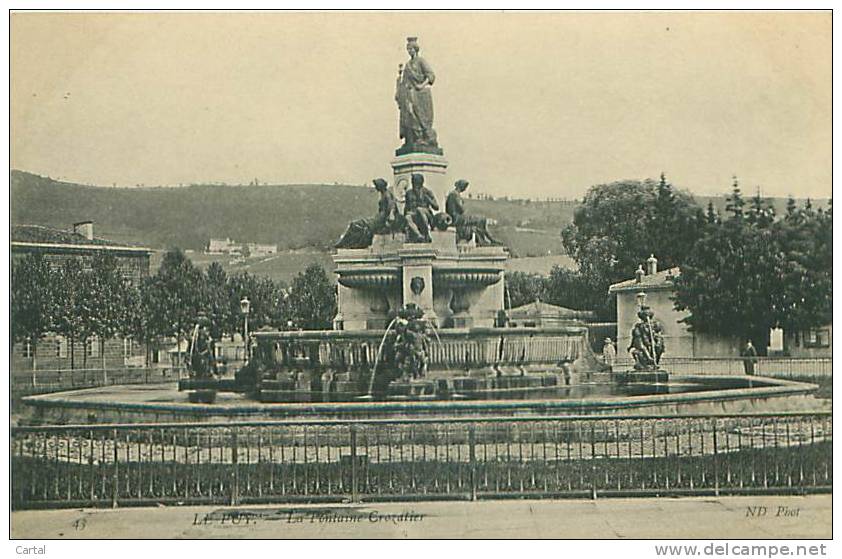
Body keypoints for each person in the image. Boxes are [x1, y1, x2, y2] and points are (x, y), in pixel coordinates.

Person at [395, 37, 439, 153]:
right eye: (408, 49)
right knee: (408, 115)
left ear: (416, 49)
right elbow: (404, 82)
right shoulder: (408, 65)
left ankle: (420, 137)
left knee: (417, 115)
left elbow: (431, 76)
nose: (409, 51)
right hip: (408, 94)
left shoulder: (421, 61)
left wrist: (421, 85)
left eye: (411, 48)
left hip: (419, 95)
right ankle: (412, 138)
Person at [335, 178, 400, 248]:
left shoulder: (387, 194)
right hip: (379, 217)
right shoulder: (383, 194)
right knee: (356, 224)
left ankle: (345, 242)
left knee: (357, 224)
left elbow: (392, 206)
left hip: (381, 219)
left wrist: (390, 218)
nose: (375, 187)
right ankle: (346, 242)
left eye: (376, 185)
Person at [445, 179, 498, 246]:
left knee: (480, 220)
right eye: (464, 187)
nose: (465, 189)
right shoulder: (455, 195)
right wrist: (462, 203)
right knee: (481, 219)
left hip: (456, 217)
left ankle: (485, 239)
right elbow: (462, 209)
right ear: (461, 186)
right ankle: (487, 239)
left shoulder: (453, 194)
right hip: (457, 219)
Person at [404, 173, 439, 242]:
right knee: (407, 217)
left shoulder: (427, 192)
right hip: (414, 214)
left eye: (416, 182)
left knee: (419, 210)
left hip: (426, 214)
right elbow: (406, 206)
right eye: (413, 182)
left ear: (421, 183)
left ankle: (427, 233)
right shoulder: (409, 193)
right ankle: (419, 235)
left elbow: (436, 207)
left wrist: (428, 199)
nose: (414, 184)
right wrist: (406, 213)